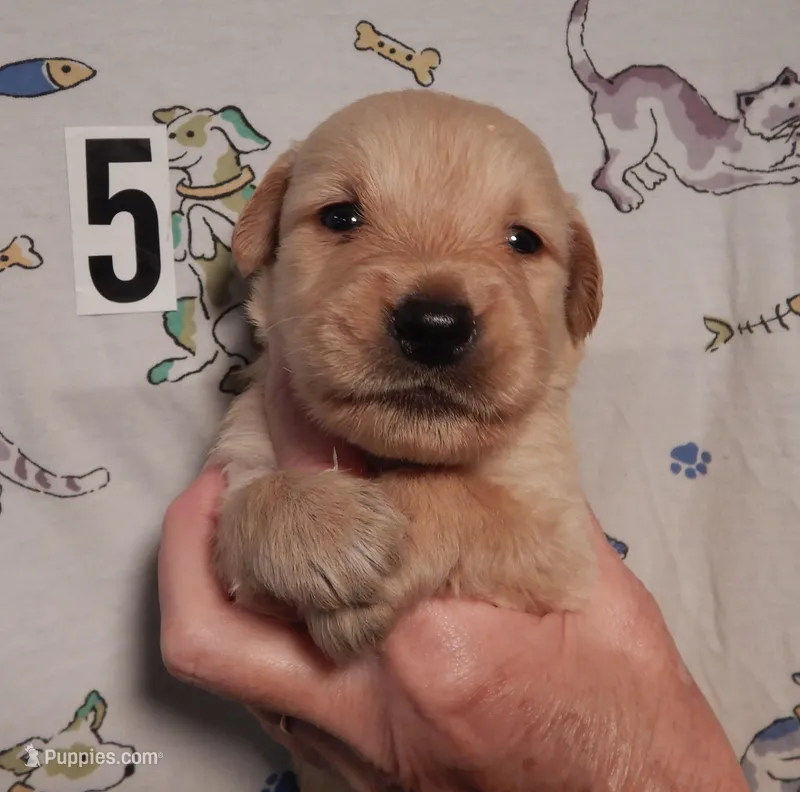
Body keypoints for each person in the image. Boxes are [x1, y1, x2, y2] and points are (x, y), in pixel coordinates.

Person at [158, 355, 751, 791]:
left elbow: (554, 558)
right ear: (266, 241)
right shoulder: (274, 397)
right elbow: (241, 570)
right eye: (344, 220)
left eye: (519, 242)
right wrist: (267, 523)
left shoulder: (525, 400)